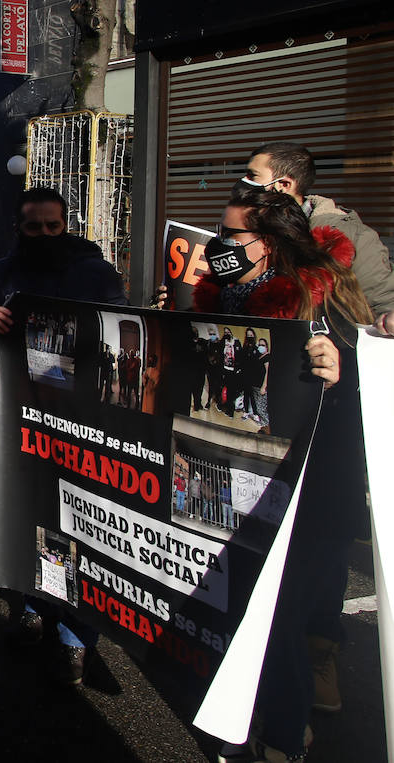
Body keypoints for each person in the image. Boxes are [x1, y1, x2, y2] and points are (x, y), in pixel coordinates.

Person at [181, 188, 368, 763]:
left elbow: (366, 380)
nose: (221, 246)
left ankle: (285, 736)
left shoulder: (321, 302)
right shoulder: (226, 294)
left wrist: (342, 372)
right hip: (236, 474)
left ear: (270, 244)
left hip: (306, 489)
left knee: (277, 612)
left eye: (233, 236)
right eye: (220, 232)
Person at [0, 186, 127, 685]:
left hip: (84, 419)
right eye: (34, 227)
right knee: (27, 518)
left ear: (66, 223)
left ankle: (76, 639)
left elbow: (121, 329)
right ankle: (33, 608)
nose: (45, 234)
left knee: (79, 523)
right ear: (19, 227)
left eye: (54, 226)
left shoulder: (95, 272)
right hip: (22, 417)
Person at [236, 142, 394, 326]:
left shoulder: (349, 236)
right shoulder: (246, 230)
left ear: (283, 184)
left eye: (252, 176)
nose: (243, 183)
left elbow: (382, 302)